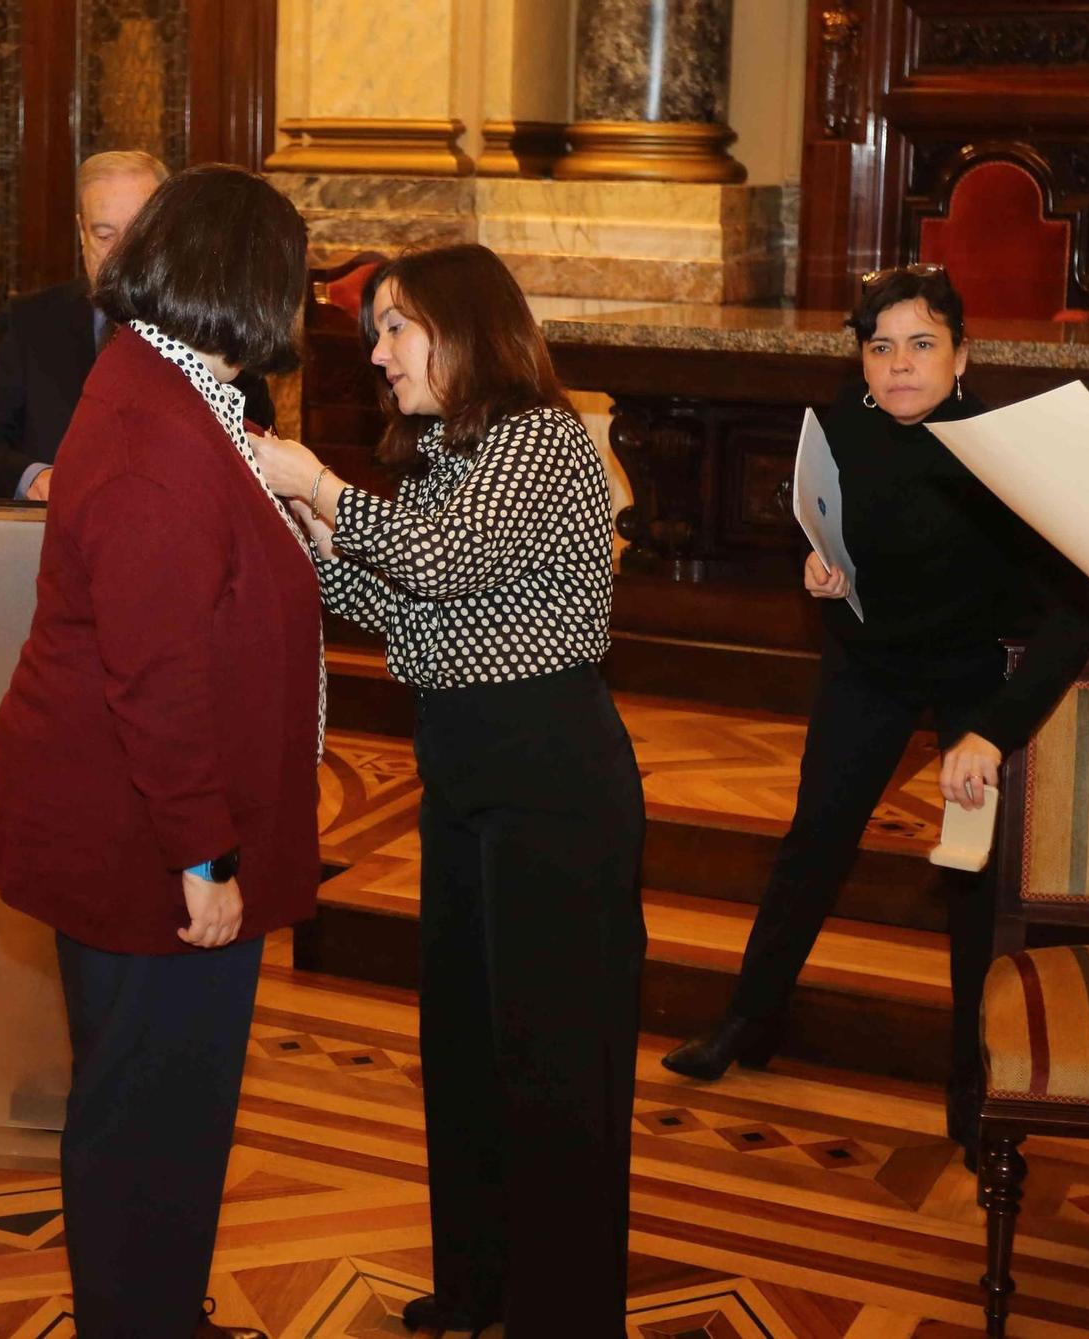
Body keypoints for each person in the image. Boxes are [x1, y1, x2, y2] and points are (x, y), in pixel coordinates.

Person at [251, 243, 645, 1338]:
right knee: (467, 1051)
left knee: (556, 1068)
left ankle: (560, 1314)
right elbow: (414, 613)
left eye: (393, 328)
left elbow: (441, 561)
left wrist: (321, 485)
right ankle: (481, 1284)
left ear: (462, 329)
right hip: (465, 774)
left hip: (550, 779)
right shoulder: (448, 455)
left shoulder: (537, 437)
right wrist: (311, 540)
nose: (377, 355)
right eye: (375, 330)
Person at [0, 165, 319, 1339]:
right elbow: (154, 670)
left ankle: (156, 1313)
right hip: (143, 841)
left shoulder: (174, 393)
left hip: (140, 826)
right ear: (249, 283)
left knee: (163, 1109)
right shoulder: (156, 431)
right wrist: (204, 856)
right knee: (144, 1116)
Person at [660, 266, 1089, 1155]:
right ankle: (752, 1017)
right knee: (814, 836)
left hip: (980, 674)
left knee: (971, 876)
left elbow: (1079, 610)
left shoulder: (1006, 450)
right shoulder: (844, 424)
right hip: (873, 662)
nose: (899, 365)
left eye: (922, 344)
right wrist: (821, 574)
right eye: (880, 346)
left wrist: (994, 730)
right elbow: (824, 526)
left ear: (962, 355)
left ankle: (973, 1076)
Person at [0, 150, 275, 501]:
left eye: (137, 234)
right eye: (105, 235)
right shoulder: (33, 321)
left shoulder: (213, 328)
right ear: (81, 232)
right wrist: (36, 479)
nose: (121, 253)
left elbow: (257, 454)